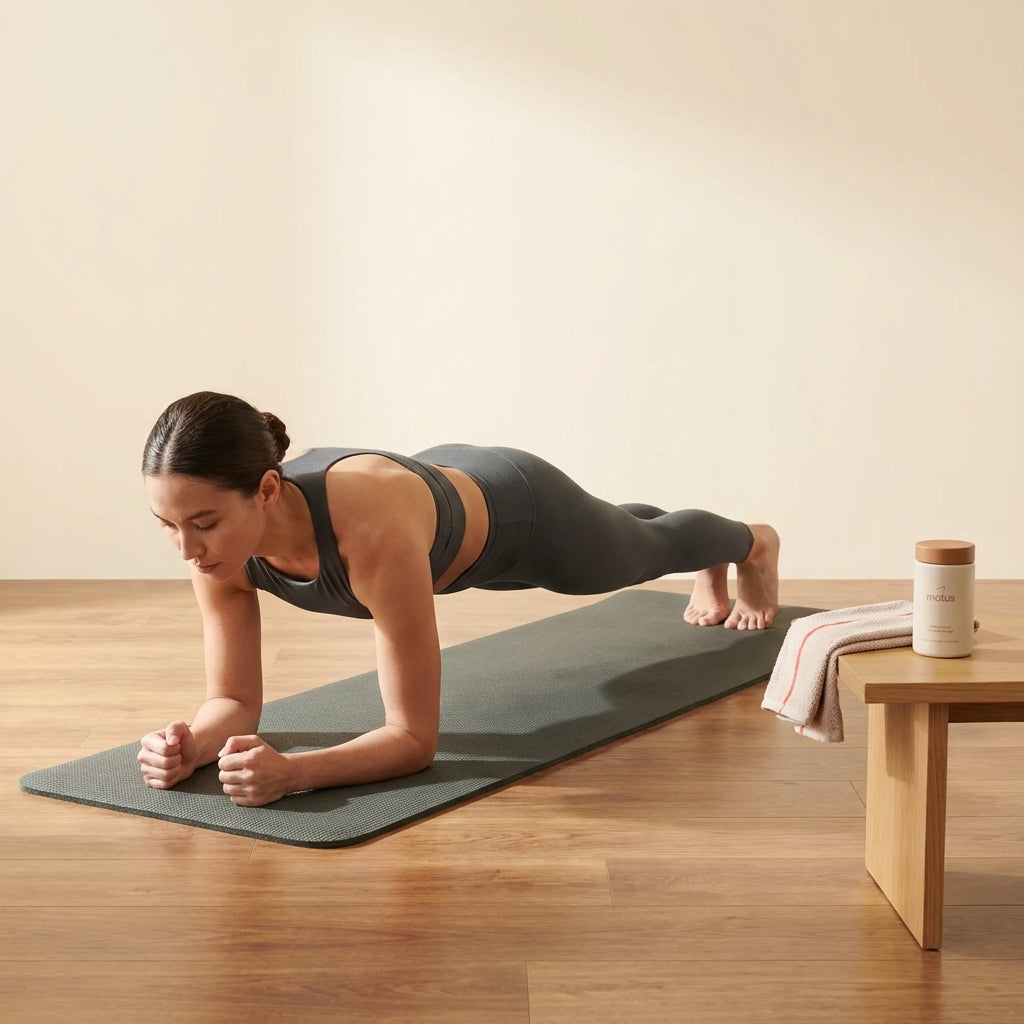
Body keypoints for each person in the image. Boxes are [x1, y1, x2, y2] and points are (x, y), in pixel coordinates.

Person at [138, 391, 780, 806]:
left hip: (518, 511)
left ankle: (749, 544)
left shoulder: (371, 535)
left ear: (268, 490)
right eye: (167, 524)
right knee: (621, 533)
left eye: (203, 522)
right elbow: (234, 702)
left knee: (638, 553)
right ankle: (660, 538)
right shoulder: (215, 550)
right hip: (439, 511)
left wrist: (296, 772)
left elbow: (413, 739)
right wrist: (190, 744)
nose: (186, 549)